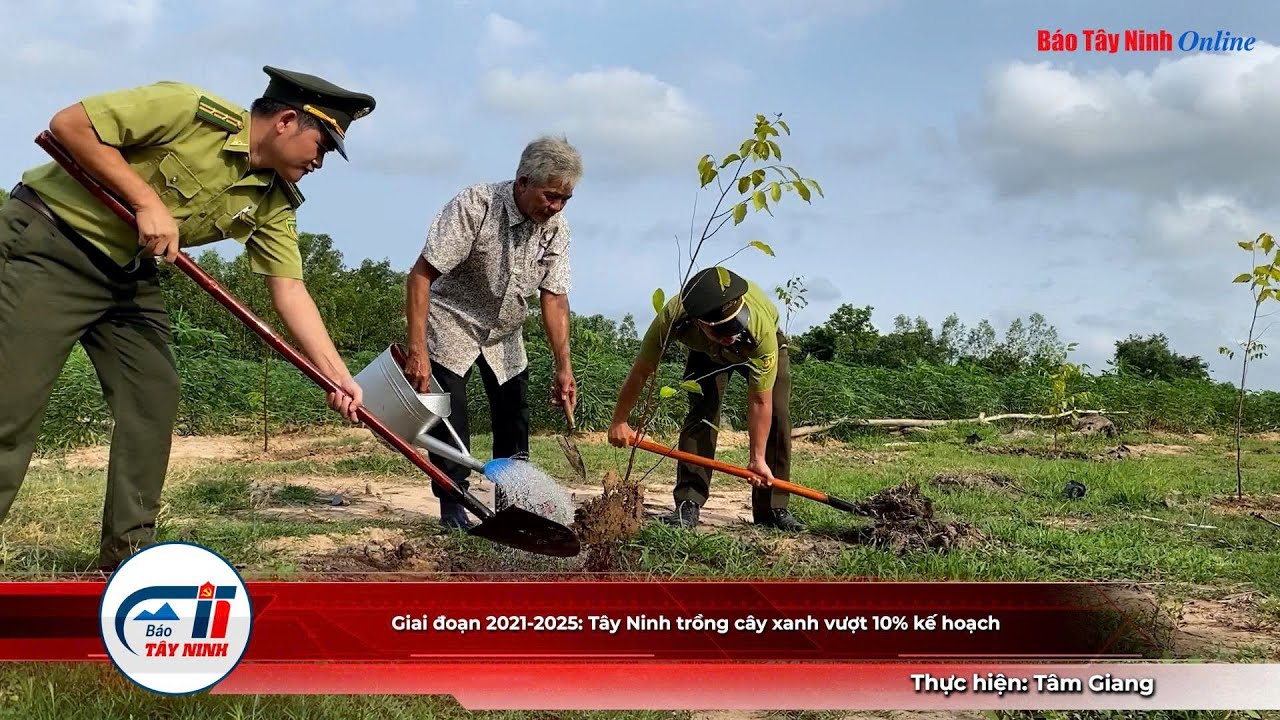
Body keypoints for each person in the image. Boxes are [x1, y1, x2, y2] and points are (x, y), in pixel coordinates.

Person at [0, 66, 376, 571]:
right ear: (287, 120)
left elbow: (289, 287)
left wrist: (336, 375)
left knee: (153, 396)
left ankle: (127, 561)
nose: (320, 162)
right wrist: (146, 199)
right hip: (50, 245)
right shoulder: (188, 111)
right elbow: (69, 125)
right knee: (12, 408)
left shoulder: (273, 199)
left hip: (126, 275)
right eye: (322, 146)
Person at [403, 135, 581, 529]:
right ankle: (453, 509)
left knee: (514, 421)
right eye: (550, 196)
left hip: (504, 334)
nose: (555, 207)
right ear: (522, 182)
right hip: (452, 323)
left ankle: (510, 508)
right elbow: (420, 277)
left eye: (564, 200)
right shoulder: (475, 206)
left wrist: (563, 367)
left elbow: (554, 298)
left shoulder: (556, 228)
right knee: (451, 422)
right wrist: (417, 349)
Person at [608, 266, 804, 531]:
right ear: (698, 322)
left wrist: (757, 457)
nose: (730, 336)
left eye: (735, 325)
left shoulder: (758, 330)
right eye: (722, 331)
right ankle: (689, 502)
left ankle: (773, 508)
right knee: (702, 411)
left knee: (778, 416)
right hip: (705, 353)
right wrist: (620, 420)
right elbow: (642, 371)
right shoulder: (671, 319)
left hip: (757, 347)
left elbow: (760, 401)